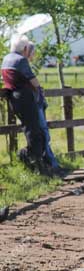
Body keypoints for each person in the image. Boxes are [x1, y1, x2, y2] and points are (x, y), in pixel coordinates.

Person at [1, 35, 46, 172]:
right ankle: (30, 157)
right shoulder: (21, 60)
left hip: (13, 98)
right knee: (34, 130)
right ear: (25, 48)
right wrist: (40, 90)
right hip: (24, 97)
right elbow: (32, 79)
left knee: (29, 128)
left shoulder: (6, 58)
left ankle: (32, 160)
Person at [27, 42, 61, 173]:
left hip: (36, 102)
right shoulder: (24, 64)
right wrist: (39, 90)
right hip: (35, 103)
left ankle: (48, 161)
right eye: (33, 53)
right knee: (43, 132)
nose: (34, 55)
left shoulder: (26, 64)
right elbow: (34, 83)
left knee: (43, 132)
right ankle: (50, 162)